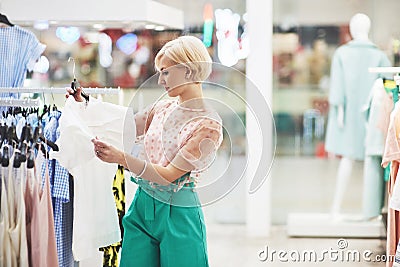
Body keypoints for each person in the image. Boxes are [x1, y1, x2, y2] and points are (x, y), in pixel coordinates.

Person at [67, 35, 223, 267]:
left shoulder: (208, 125)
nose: (160, 80)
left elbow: (169, 174)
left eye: (166, 72)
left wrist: (121, 158)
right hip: (142, 204)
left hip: (178, 210)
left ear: (189, 71)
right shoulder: (162, 107)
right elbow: (125, 123)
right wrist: (85, 103)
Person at [324, 13, 391, 218]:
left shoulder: (342, 54)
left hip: (350, 115)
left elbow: (337, 88)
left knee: (348, 160)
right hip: (373, 115)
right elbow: (390, 84)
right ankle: (372, 210)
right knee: (372, 161)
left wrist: (340, 112)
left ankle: (336, 207)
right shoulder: (379, 54)